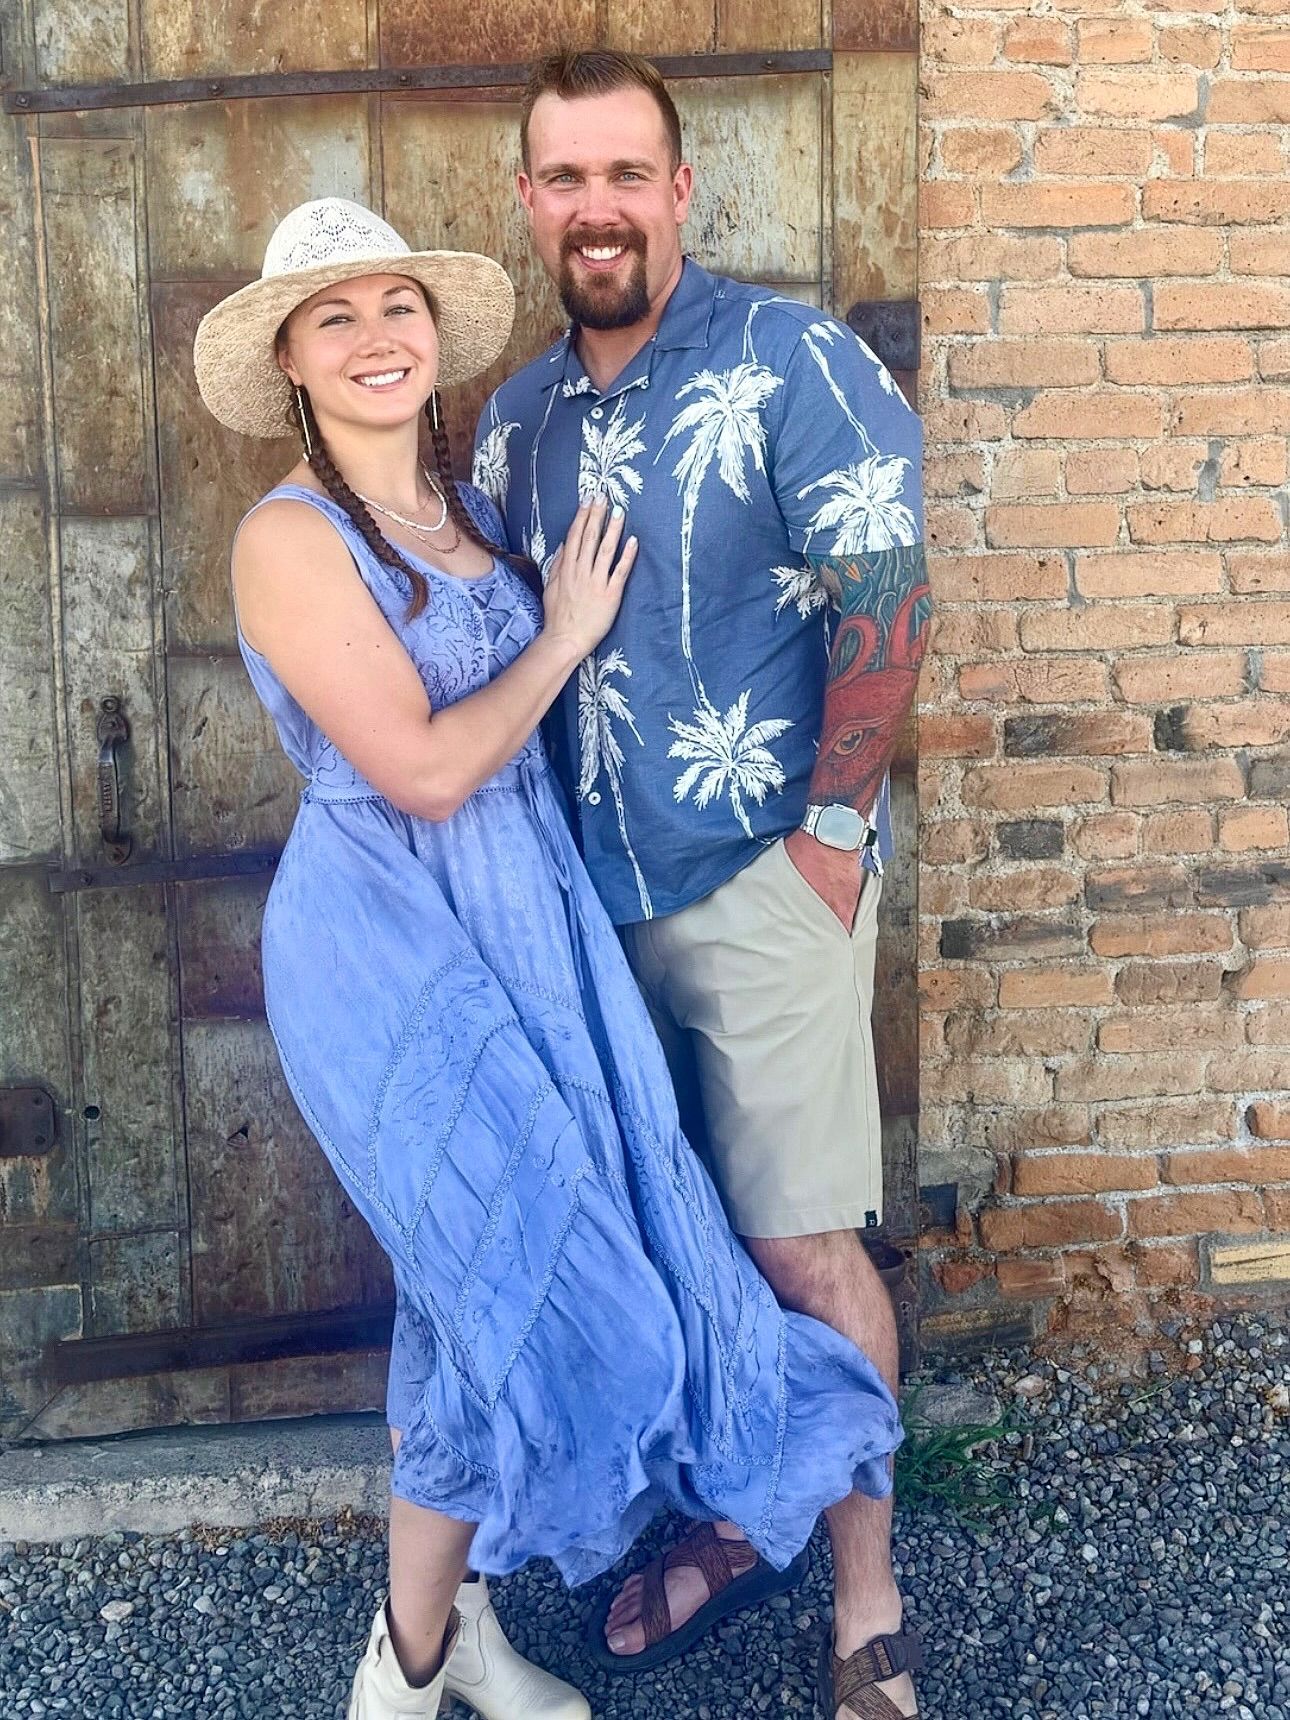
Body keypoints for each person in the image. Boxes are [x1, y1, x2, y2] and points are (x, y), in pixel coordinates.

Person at [194, 196, 903, 1720]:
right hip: (392, 937)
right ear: (292, 364)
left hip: (531, 917)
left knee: (487, 1290)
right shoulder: (288, 539)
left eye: (397, 307)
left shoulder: (466, 510)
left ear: (433, 334)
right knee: (492, 1270)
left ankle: (453, 1638)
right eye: (336, 320)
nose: (376, 338)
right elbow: (430, 773)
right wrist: (562, 636)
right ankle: (402, 1676)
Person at [474, 52, 932, 1720]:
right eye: (563, 178)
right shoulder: (520, 420)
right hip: (588, 902)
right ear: (527, 203)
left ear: (679, 192)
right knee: (673, 1249)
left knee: (805, 1247)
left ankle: (865, 1605)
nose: (595, 207)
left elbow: (884, 586)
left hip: (759, 878)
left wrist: (831, 835)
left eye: (624, 174)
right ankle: (731, 1520)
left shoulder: (785, 355)